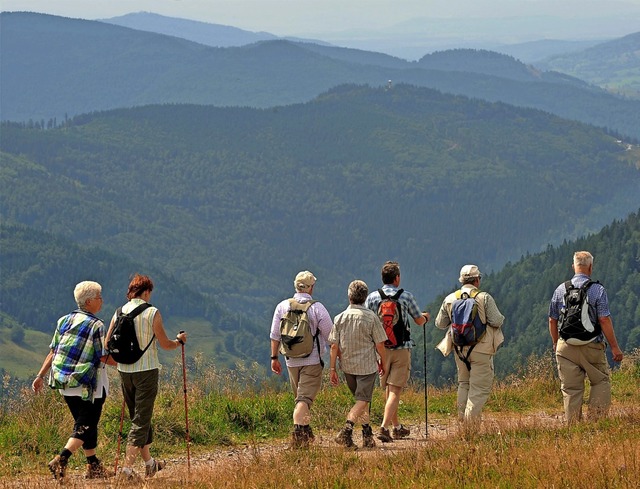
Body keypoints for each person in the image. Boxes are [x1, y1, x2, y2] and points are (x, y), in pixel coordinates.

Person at [106, 274, 187, 480]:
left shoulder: (118, 312)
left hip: (124, 372)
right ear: (147, 291)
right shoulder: (152, 312)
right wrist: (179, 342)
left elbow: (108, 344)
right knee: (141, 420)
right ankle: (125, 471)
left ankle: (150, 464)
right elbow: (165, 344)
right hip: (147, 371)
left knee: (139, 417)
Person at [32, 281, 112, 481]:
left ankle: (93, 466)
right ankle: (61, 459)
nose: (102, 300)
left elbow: (54, 350)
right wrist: (126, 365)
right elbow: (103, 356)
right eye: (99, 297)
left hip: (64, 383)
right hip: (88, 385)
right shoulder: (97, 325)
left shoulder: (64, 321)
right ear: (89, 301)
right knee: (86, 425)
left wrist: (40, 375)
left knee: (84, 423)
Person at [548, 251, 623, 424]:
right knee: (600, 381)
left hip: (565, 345)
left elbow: (552, 319)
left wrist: (555, 342)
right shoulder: (598, 290)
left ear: (573, 266)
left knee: (571, 388)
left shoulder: (560, 289)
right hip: (591, 345)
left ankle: (573, 426)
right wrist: (614, 347)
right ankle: (596, 423)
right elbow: (604, 319)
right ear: (590, 267)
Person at [365, 261, 429, 442]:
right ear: (397, 278)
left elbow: (369, 322)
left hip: (381, 349)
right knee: (395, 390)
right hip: (401, 349)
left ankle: (397, 427)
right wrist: (425, 317)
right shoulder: (406, 297)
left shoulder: (372, 298)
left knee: (387, 388)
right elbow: (418, 321)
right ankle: (384, 428)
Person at [435, 264, 505, 428]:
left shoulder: (450, 298)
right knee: (479, 389)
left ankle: (462, 420)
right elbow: (496, 320)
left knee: (464, 383)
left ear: (461, 280)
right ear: (477, 280)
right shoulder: (484, 297)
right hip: (481, 348)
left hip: (459, 349)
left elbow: (440, 323)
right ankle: (469, 428)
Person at [270, 270, 333, 448]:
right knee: (304, 400)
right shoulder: (317, 308)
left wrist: (274, 357)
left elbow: (275, 335)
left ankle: (306, 433)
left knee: (301, 398)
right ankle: (297, 437)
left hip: (290, 360)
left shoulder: (282, 306)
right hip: (312, 361)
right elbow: (330, 336)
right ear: (311, 288)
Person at [329, 280, 388, 449]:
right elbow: (380, 344)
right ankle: (346, 431)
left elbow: (334, 345)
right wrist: (382, 362)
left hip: (347, 367)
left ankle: (367, 436)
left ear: (349, 297)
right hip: (367, 367)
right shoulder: (371, 317)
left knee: (363, 400)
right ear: (365, 297)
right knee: (362, 400)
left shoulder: (339, 318)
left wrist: (332, 368)